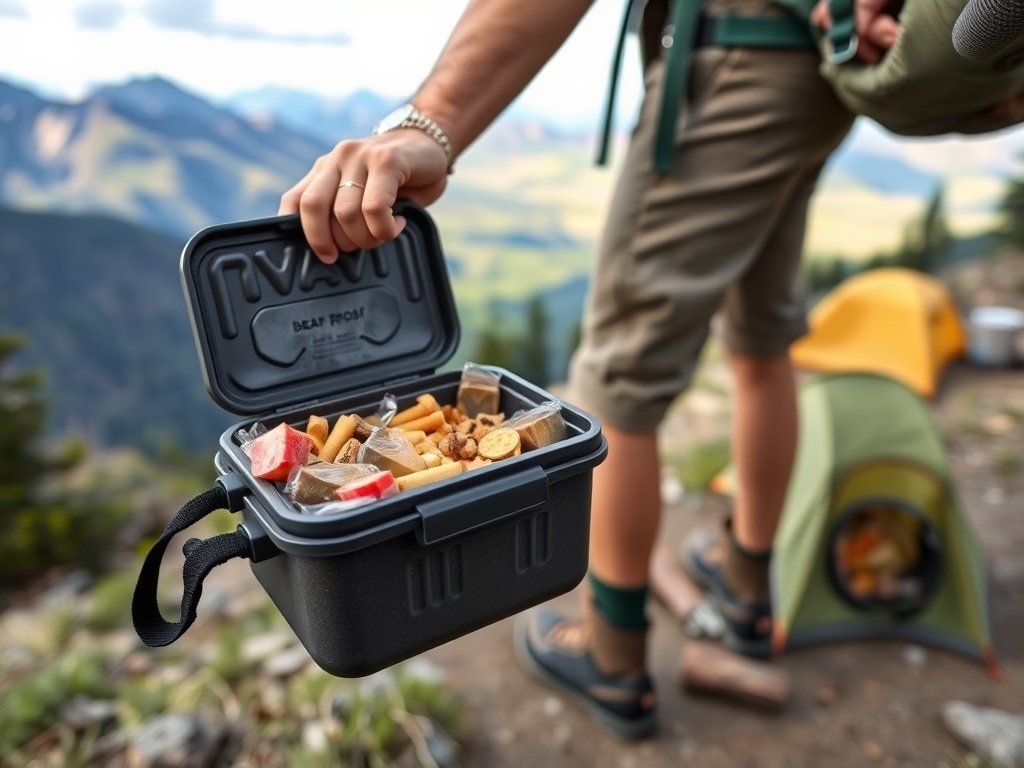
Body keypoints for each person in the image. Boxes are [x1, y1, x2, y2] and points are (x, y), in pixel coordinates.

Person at [279, 0, 898, 741]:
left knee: (614, 391)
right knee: (761, 342)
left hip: (726, 61)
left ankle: (615, 660)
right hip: (814, 74)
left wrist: (431, 121)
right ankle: (744, 596)